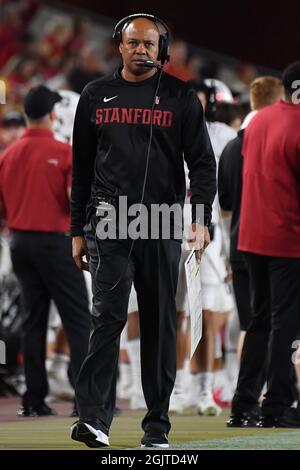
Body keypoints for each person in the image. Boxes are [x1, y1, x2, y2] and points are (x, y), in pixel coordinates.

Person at [70, 13, 216, 449]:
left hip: (162, 221)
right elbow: (80, 170)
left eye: (149, 44)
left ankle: (156, 427)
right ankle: (94, 419)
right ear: (119, 44)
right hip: (110, 221)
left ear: (161, 50)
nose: (141, 50)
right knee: (107, 319)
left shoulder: (180, 96)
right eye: (134, 42)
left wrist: (200, 221)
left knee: (158, 326)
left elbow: (204, 166)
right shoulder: (95, 95)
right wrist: (77, 230)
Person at [0, 85, 91, 417]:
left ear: (26, 115)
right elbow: (75, 200)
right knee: (79, 320)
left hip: (19, 243)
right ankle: (85, 400)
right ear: (53, 114)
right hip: (55, 241)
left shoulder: (7, 154)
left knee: (33, 321)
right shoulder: (64, 152)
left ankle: (34, 399)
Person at [228, 61, 300, 428]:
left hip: (251, 236)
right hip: (287, 237)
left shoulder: (259, 120)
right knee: (285, 323)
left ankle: (243, 403)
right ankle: (278, 405)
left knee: (258, 321)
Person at [218, 76, 284, 361]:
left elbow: (226, 207)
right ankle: (277, 393)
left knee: (251, 324)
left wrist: (226, 252)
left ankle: (247, 393)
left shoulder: (232, 148)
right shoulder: (279, 141)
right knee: (283, 325)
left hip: (240, 244)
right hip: (275, 247)